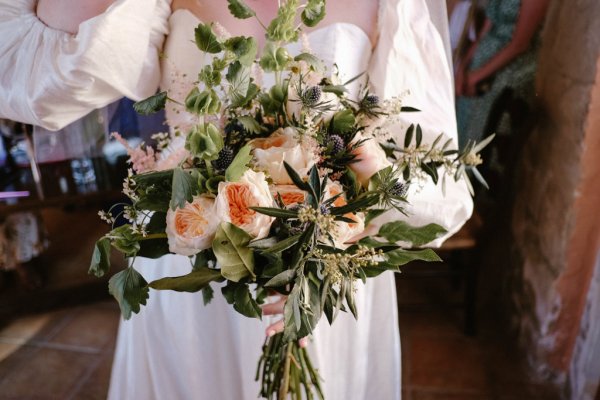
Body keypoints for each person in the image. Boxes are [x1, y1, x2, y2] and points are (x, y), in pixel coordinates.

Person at [0, 1, 472, 398]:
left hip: (324, 264)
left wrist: (345, 212)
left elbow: (435, 174)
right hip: (190, 252)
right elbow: (35, 83)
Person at [455, 0, 550, 147]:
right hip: (481, 63)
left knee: (477, 135)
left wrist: (476, 77)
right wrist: (464, 66)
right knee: (459, 126)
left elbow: (519, 45)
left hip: (508, 73)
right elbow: (485, 29)